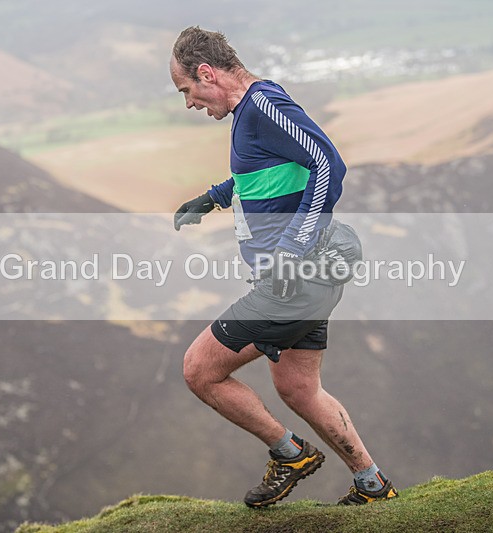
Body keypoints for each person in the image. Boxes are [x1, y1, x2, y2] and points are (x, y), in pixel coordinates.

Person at [170, 26, 397, 508]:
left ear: (206, 73)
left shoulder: (263, 106)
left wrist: (292, 249)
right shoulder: (248, 113)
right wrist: (210, 200)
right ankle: (373, 484)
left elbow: (328, 164)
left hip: (294, 278)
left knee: (199, 370)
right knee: (299, 387)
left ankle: (290, 454)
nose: (188, 103)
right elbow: (261, 172)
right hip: (305, 277)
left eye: (186, 90)